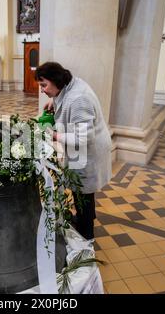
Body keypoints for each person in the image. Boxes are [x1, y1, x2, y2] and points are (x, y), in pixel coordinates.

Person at [35, 62, 112, 240]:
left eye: (44, 85)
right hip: (85, 152)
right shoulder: (70, 85)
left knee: (82, 190)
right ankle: (85, 219)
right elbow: (65, 98)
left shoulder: (78, 99)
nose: (42, 90)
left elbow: (83, 139)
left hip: (89, 152)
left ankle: (87, 236)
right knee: (82, 191)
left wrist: (54, 135)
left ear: (56, 81)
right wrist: (54, 101)